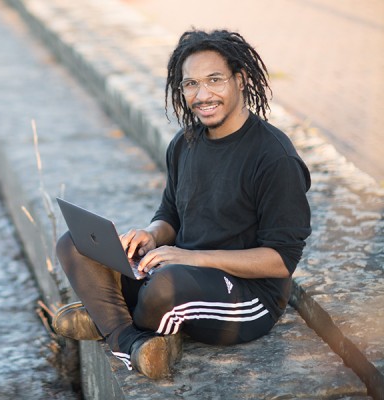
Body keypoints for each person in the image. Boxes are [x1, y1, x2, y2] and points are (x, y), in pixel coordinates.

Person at [52, 29, 312, 379]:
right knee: (76, 242)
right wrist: (152, 236)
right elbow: (170, 214)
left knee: (165, 286)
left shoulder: (273, 157)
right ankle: (132, 336)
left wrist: (191, 257)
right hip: (180, 268)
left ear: (241, 79)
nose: (202, 95)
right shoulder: (184, 143)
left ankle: (111, 323)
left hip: (246, 298)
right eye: (190, 84)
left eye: (214, 80)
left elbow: (282, 260)